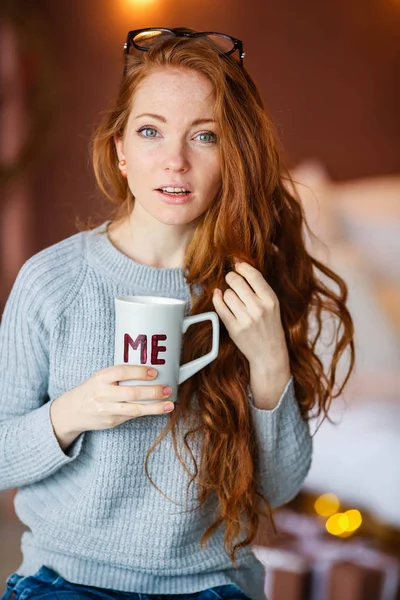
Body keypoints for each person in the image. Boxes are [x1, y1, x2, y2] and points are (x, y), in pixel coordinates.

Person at [0, 27, 355, 600]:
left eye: (205, 137)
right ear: (120, 150)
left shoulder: (251, 283)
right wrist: (72, 412)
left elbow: (281, 489)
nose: (176, 161)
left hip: (212, 585)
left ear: (231, 155)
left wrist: (269, 364)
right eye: (150, 132)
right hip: (66, 580)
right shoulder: (53, 281)